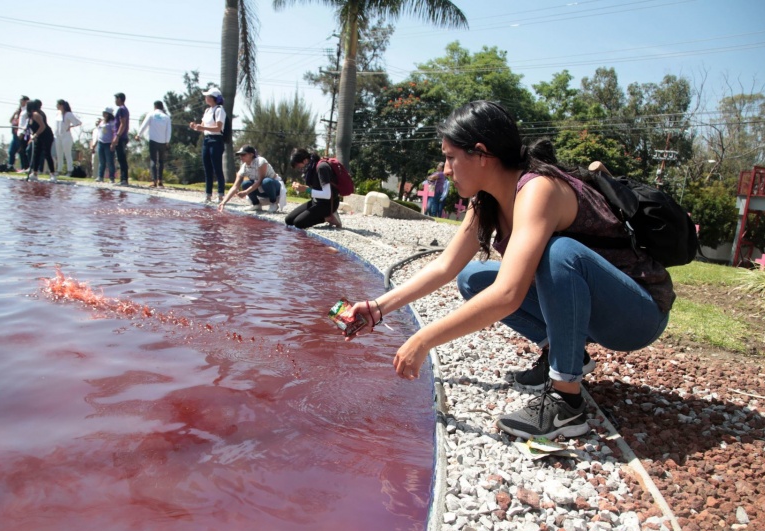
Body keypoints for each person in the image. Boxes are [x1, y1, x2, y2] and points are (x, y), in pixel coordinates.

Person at [344, 100, 674, 440]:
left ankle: (566, 404)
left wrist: (424, 339)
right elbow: (444, 266)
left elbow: (508, 295)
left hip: (637, 312)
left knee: (559, 254)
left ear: (481, 153)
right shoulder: (485, 200)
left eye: (450, 157)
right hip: (593, 307)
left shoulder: (538, 190)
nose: (445, 169)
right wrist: (377, 308)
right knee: (473, 278)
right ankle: (566, 355)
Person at [286, 148, 343, 229]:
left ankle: (329, 217)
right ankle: (325, 215)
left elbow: (327, 194)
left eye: (298, 165)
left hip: (328, 204)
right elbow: (317, 187)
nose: (299, 168)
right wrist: (301, 187)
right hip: (316, 201)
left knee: (299, 223)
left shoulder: (321, 168)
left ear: (305, 160)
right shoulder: (311, 169)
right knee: (289, 220)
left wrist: (306, 190)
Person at [189, 87, 226, 203]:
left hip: (216, 140)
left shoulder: (219, 110)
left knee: (217, 168)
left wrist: (203, 127)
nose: (206, 98)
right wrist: (195, 127)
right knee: (207, 168)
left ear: (213, 98)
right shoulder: (207, 111)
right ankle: (208, 195)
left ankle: (221, 195)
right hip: (207, 139)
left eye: (207, 96)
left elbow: (218, 127)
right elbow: (203, 126)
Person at [218, 145, 282, 213]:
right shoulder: (244, 167)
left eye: (243, 154)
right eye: (240, 155)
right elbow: (235, 186)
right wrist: (223, 202)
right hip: (261, 189)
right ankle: (256, 204)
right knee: (245, 184)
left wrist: (245, 192)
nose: (241, 157)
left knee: (266, 181)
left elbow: (260, 181)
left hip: (275, 189)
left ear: (251, 154)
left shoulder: (261, 161)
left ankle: (273, 203)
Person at [135, 100, 172, 187]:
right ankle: (160, 180)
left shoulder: (151, 114)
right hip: (163, 141)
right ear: (162, 107)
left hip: (153, 140)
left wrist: (138, 135)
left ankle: (154, 180)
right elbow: (169, 130)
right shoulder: (166, 117)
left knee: (153, 160)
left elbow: (144, 124)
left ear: (155, 107)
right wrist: (167, 141)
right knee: (161, 161)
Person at [25, 99, 55, 182]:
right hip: (39, 136)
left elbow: (43, 126)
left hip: (46, 135)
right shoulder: (30, 116)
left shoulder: (36, 114)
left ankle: (53, 174)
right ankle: (35, 174)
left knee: (47, 153)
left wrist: (35, 135)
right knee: (36, 154)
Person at [53, 99, 82, 176]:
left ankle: (70, 170)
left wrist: (70, 126)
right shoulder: (57, 113)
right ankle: (59, 170)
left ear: (61, 105)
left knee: (67, 154)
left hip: (66, 136)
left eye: (58, 104)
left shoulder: (68, 114)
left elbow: (78, 122)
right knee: (59, 154)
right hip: (58, 136)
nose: (56, 106)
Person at [111, 92, 130, 185]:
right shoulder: (124, 109)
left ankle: (124, 179)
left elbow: (123, 123)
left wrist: (117, 137)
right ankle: (123, 179)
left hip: (121, 137)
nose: (115, 101)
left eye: (116, 98)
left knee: (122, 158)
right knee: (120, 158)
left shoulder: (122, 109)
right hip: (122, 136)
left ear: (119, 99)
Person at [94, 107, 116, 183]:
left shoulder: (112, 122)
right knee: (102, 161)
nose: (104, 114)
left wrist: (113, 143)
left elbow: (114, 133)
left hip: (108, 143)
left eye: (105, 113)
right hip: (101, 142)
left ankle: (111, 177)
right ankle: (100, 176)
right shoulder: (102, 121)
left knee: (110, 161)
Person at [8, 96, 29, 171]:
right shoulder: (18, 111)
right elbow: (11, 121)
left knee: (21, 151)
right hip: (14, 134)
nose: (21, 101)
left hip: (21, 134)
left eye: (22, 100)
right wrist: (15, 114)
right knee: (11, 151)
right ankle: (10, 165)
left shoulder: (26, 111)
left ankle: (24, 167)